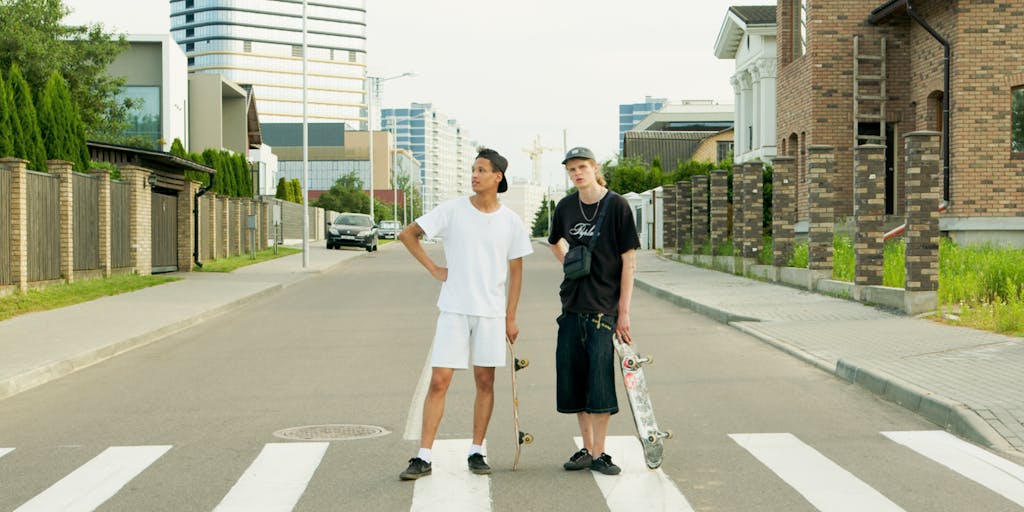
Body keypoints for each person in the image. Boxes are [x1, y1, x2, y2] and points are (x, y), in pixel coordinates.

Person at [398, 148, 534, 480]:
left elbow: (516, 272)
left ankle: (476, 450)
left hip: (490, 314)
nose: (474, 175)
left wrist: (510, 316)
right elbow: (408, 234)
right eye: (473, 170)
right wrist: (434, 269)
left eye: (481, 170)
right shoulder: (453, 210)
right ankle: (423, 456)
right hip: (454, 309)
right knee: (440, 381)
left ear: (497, 177)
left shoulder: (511, 221)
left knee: (485, 381)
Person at [547, 146, 640, 476]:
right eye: (571, 169)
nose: (577, 173)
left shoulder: (617, 206)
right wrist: (569, 264)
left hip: (604, 309)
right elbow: (554, 240)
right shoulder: (566, 207)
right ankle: (585, 449)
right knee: (575, 382)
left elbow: (629, 261)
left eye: (582, 167)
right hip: (572, 307)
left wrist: (623, 311)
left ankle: (601, 452)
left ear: (594, 167)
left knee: (600, 384)